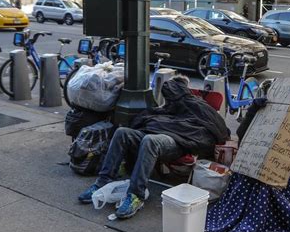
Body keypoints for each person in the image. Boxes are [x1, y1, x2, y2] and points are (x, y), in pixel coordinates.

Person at [78, 76, 230, 219]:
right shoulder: (169, 106)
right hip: (160, 134)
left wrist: (174, 126)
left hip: (179, 143)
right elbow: (155, 117)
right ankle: (102, 182)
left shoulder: (197, 104)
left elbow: (219, 129)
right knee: (122, 132)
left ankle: (136, 195)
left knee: (150, 141)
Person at [205, 99, 290, 232]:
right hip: (260, 154)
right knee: (248, 174)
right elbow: (243, 137)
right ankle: (248, 214)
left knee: (268, 182)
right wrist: (252, 111)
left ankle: (263, 216)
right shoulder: (264, 111)